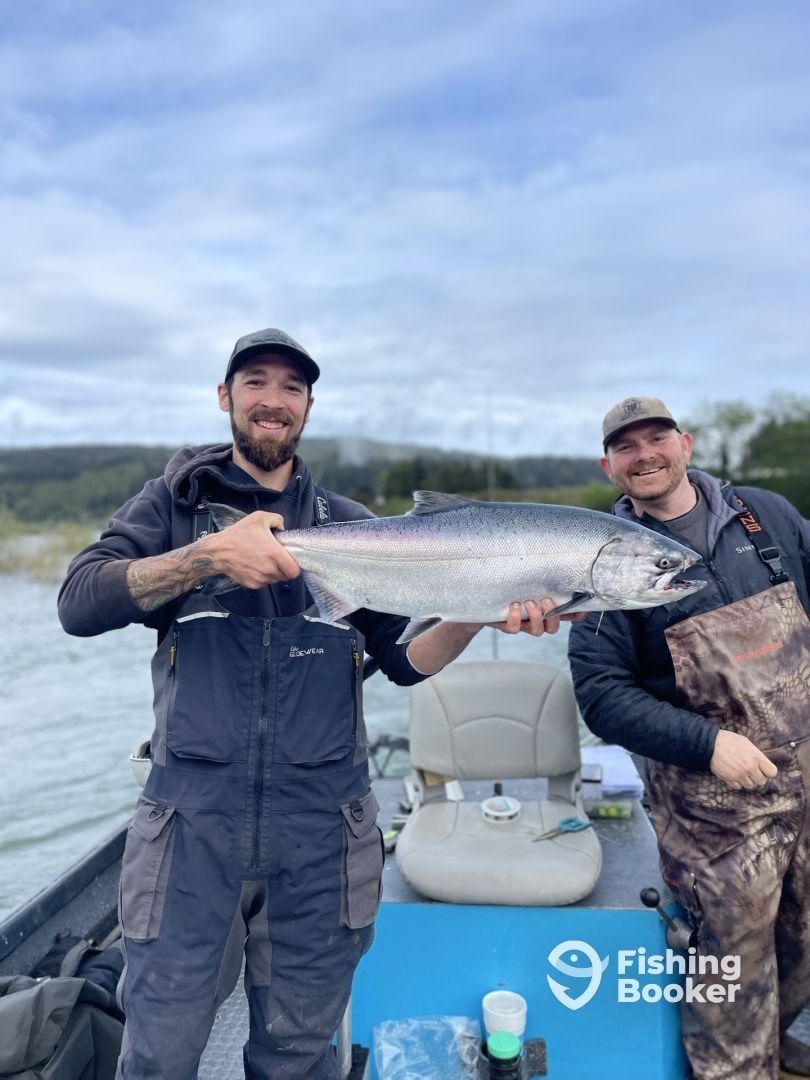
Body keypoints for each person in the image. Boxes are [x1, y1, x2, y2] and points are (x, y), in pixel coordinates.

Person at [58, 327, 570, 1079]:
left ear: (308, 406)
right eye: (256, 382)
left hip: (324, 832)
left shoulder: (352, 525)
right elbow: (79, 601)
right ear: (225, 396)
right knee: (159, 1051)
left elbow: (403, 663)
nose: (274, 400)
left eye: (292, 387)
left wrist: (477, 611)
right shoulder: (172, 507)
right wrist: (205, 556)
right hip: (190, 826)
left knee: (299, 1055)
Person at [568, 396, 810, 1080]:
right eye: (626, 446)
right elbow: (602, 695)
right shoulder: (601, 561)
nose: (644, 454)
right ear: (609, 466)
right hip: (712, 814)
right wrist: (709, 745)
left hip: (806, 779)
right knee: (729, 967)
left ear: (686, 445)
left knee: (803, 941)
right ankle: (736, 1067)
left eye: (657, 438)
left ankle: (773, 1045)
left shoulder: (766, 514)